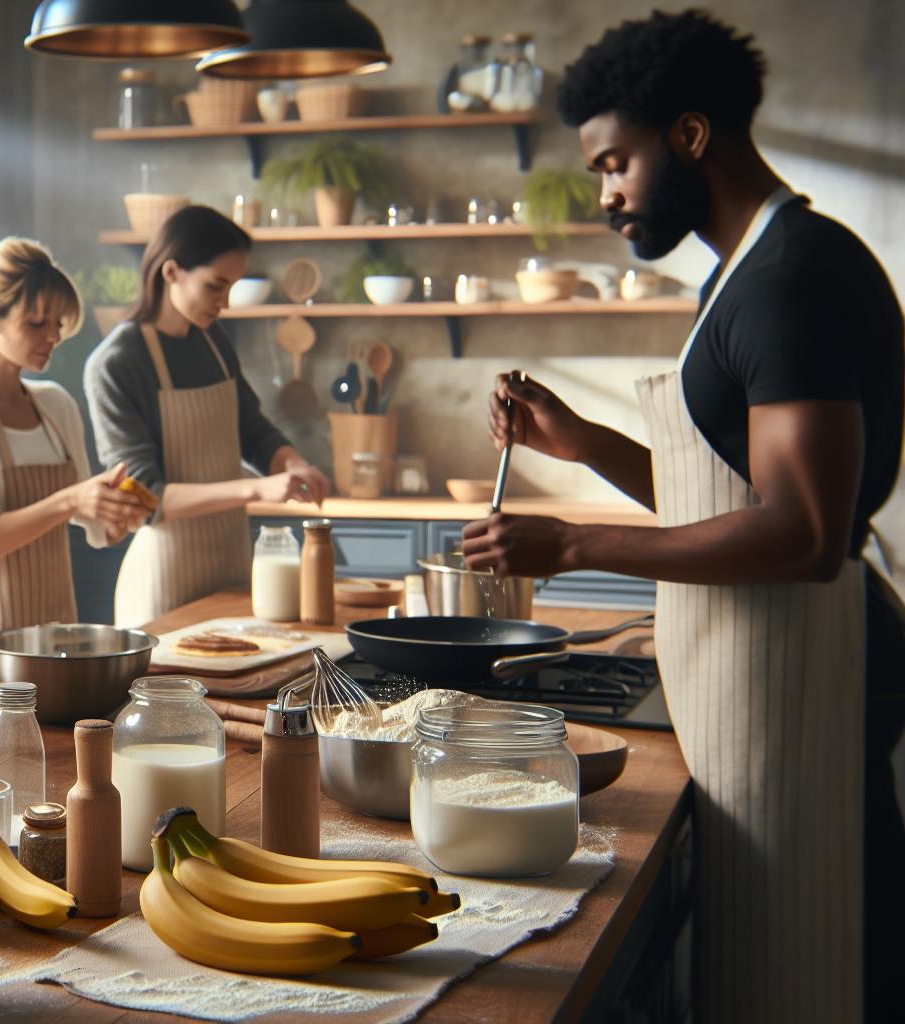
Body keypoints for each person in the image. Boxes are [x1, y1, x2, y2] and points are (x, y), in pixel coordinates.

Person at [458, 12, 902, 1022]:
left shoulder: (790, 281)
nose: (606, 192)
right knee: (760, 963)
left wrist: (571, 541)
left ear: (689, 137)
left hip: (809, 671)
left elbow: (799, 532)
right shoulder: (740, 273)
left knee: (816, 967)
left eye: (616, 162)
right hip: (758, 671)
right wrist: (578, 444)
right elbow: (722, 494)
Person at [84, 206, 328, 626]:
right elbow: (146, 495)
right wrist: (255, 490)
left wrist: (293, 463)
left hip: (229, 567)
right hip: (165, 581)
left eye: (231, 287)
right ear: (172, 271)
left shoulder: (213, 342)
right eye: (215, 286)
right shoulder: (116, 363)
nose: (225, 303)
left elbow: (250, 427)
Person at [0, 238, 148, 671]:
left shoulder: (56, 405)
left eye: (58, 323)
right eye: (36, 324)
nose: (53, 336)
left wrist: (117, 511)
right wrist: (70, 500)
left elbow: (95, 528)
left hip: (59, 635)